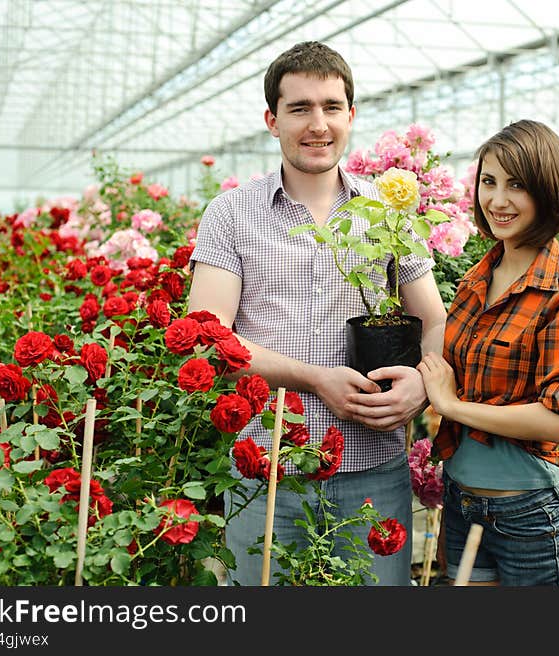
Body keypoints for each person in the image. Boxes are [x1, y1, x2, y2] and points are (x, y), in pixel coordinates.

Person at [187, 41, 447, 585]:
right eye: (299, 108)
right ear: (271, 119)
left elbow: (435, 322)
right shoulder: (232, 214)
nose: (317, 124)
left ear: (351, 116)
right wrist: (313, 379)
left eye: (331, 107)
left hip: (372, 470)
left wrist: (422, 386)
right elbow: (208, 338)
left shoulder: (386, 211)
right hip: (268, 472)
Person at [416, 119, 559, 586]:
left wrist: (452, 405)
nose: (498, 201)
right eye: (489, 182)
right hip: (462, 501)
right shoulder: (474, 281)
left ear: (547, 191)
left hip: (531, 515)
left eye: (516, 185)